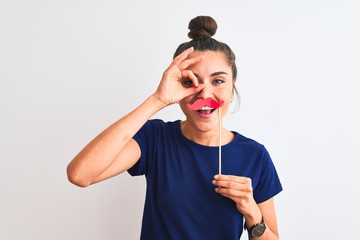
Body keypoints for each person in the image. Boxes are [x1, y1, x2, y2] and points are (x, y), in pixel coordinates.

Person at [67, 16, 282, 240]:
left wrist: (252, 213)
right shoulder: (155, 138)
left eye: (218, 81)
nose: (205, 94)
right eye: (190, 82)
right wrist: (158, 100)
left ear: (232, 85)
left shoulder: (255, 156)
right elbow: (80, 174)